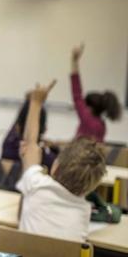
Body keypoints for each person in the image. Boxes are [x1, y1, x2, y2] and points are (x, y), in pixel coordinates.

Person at [17, 79, 106, 242]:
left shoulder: (36, 185)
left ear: (55, 167)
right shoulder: (84, 211)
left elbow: (30, 144)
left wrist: (36, 103)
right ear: (90, 188)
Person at [70, 44, 121, 142]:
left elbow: (77, 92)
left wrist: (74, 60)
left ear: (90, 108)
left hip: (79, 156)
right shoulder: (102, 125)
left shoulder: (86, 118)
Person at [1, 96, 57, 170]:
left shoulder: (8, 145)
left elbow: (18, 124)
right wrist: (56, 149)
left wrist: (32, 102)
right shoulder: (46, 159)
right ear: (45, 129)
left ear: (17, 127)